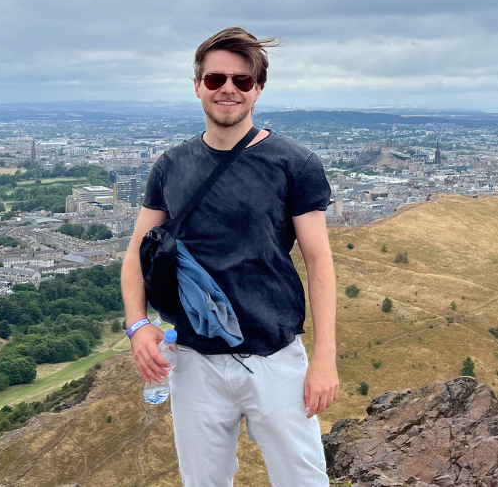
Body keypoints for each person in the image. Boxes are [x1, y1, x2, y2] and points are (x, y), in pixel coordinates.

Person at [120, 27, 338, 487]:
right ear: (198, 85)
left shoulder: (293, 164)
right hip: (194, 360)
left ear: (258, 89)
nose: (228, 90)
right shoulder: (171, 166)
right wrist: (138, 324)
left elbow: (319, 262)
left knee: (304, 481)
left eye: (242, 81)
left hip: (274, 357)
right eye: (216, 79)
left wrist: (324, 359)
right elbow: (137, 252)